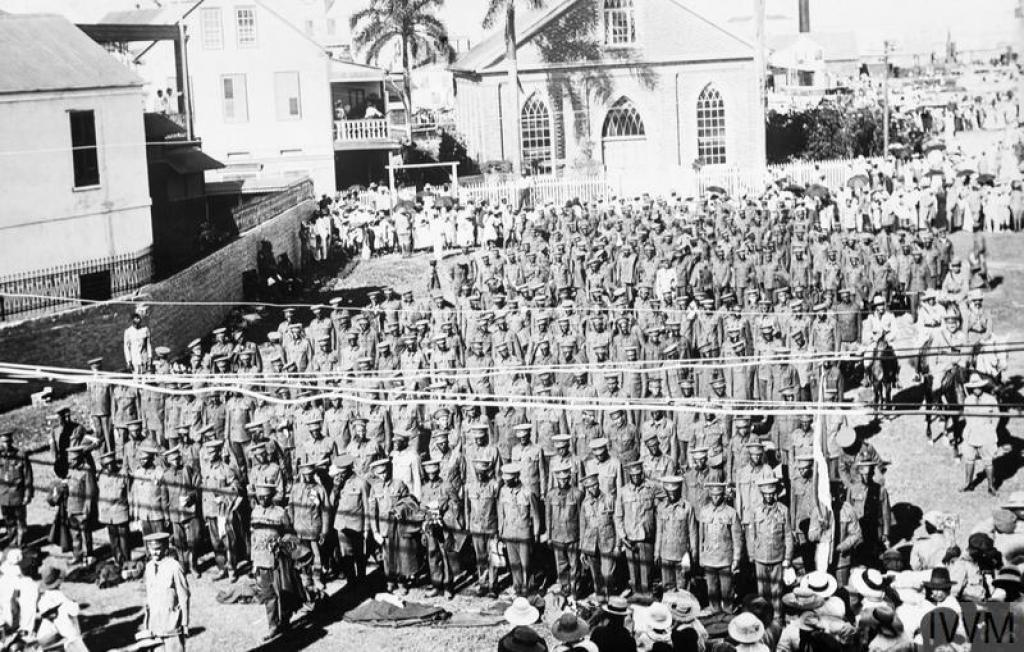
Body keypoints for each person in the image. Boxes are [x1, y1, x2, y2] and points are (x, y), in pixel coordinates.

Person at [497, 463, 541, 596]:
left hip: (524, 534)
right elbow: (501, 513)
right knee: (514, 562)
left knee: (525, 563)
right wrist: (501, 532)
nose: (506, 482)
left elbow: (535, 515)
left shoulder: (527, 493)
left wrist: (536, 533)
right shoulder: (503, 492)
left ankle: (527, 587)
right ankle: (517, 586)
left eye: (508, 480)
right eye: (505, 480)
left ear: (516, 478)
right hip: (509, 533)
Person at [141, 532, 190, 652]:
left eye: (158, 549)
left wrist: (184, 623)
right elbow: (149, 596)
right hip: (155, 625)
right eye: (151, 549)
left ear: (165, 548)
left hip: (172, 624)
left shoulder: (174, 567)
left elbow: (184, 596)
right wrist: (147, 623)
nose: (154, 553)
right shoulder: (149, 567)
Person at [615, 462, 657, 598]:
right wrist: (622, 537)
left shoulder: (651, 488)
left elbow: (657, 512)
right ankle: (636, 595)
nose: (636, 478)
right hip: (630, 537)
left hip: (646, 536)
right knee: (633, 572)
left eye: (638, 475)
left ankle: (647, 595)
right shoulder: (623, 491)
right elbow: (618, 516)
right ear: (629, 476)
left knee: (647, 571)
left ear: (642, 473)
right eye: (633, 475)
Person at [961, 373, 1001, 495]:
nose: (976, 389)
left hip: (986, 434)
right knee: (969, 459)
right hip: (971, 433)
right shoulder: (968, 400)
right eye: (974, 387)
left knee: (988, 461)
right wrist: (971, 427)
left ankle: (991, 486)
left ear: (982, 387)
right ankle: (968, 484)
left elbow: (997, 416)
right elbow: (966, 415)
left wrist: (991, 429)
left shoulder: (990, 399)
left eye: (978, 387)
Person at [0, 431, 33, 547]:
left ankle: (22, 543)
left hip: (18, 495)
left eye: (8, 441)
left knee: (20, 521)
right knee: (9, 521)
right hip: (3, 496)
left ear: (12, 441)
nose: (6, 444)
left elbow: (28, 476)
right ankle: (13, 543)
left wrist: (27, 495)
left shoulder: (21, 456)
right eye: (3, 442)